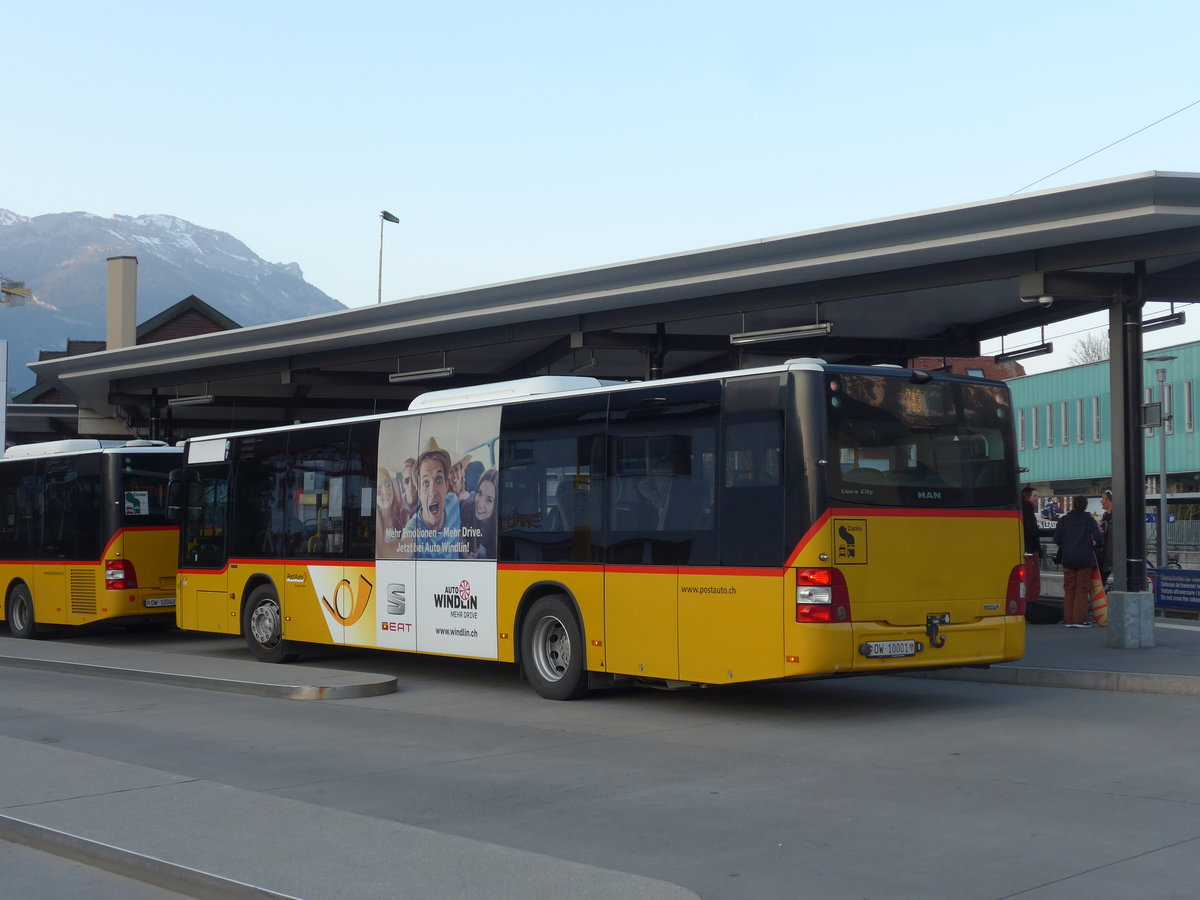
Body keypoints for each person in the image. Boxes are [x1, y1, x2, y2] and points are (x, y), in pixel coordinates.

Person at [398, 437, 462, 559]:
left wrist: (466, 555)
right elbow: (398, 552)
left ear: (446, 485)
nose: (433, 491)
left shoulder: (453, 502)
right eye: (426, 483)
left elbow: (457, 533)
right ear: (420, 493)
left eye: (438, 479)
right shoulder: (413, 529)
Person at [1053, 495, 1103, 628]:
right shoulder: (1089, 520)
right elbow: (1098, 538)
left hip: (1068, 559)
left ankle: (1068, 620)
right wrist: (1097, 545)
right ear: (1086, 506)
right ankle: (1079, 620)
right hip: (1084, 559)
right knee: (1081, 589)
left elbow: (1057, 539)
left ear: (1073, 505)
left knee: (1069, 588)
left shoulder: (1064, 520)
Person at [460, 468, 497, 559]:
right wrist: (466, 556)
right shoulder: (469, 508)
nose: (480, 504)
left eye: (489, 500)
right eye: (479, 493)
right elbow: (460, 535)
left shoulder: (499, 526)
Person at [1021, 486, 1042, 615]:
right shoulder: (1028, 509)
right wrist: (1038, 548)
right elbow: (1032, 530)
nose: (1037, 498)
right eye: (1035, 496)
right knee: (1032, 579)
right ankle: (1031, 607)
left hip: (1023, 549)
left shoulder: (1020, 508)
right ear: (1027, 497)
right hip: (1030, 550)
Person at [1099, 489, 1114, 586]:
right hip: (1103, 553)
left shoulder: (1117, 516)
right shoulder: (1105, 515)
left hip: (1110, 553)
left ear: (1110, 501)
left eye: (1103, 499)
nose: (1101, 501)